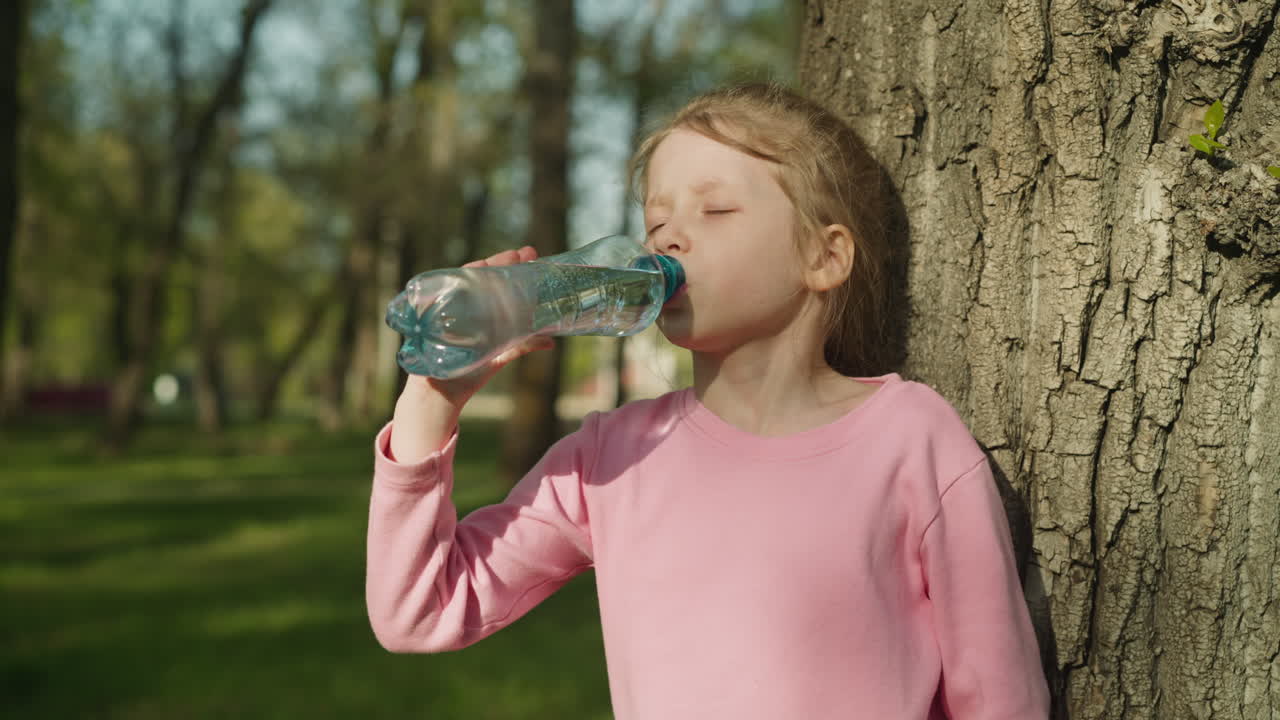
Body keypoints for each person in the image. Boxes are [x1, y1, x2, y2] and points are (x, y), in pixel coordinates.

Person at [366, 83, 1050, 719]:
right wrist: (432, 398)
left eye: (715, 209)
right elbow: (419, 611)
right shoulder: (610, 459)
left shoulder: (909, 438)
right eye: (655, 218)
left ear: (824, 256)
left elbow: (999, 695)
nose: (668, 236)